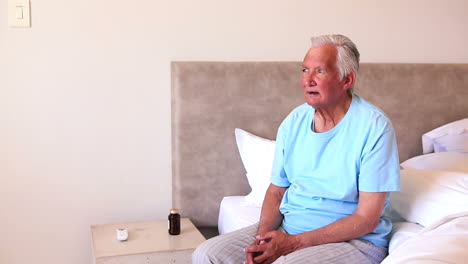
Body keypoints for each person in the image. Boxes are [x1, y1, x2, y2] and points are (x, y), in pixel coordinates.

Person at [192, 34, 400, 264]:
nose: (307, 80)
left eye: (319, 71)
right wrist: (262, 241)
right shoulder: (294, 121)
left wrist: (293, 244)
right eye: (304, 70)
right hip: (289, 228)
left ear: (346, 80)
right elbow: (276, 191)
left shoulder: (374, 127)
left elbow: (366, 219)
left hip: (355, 241)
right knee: (207, 254)